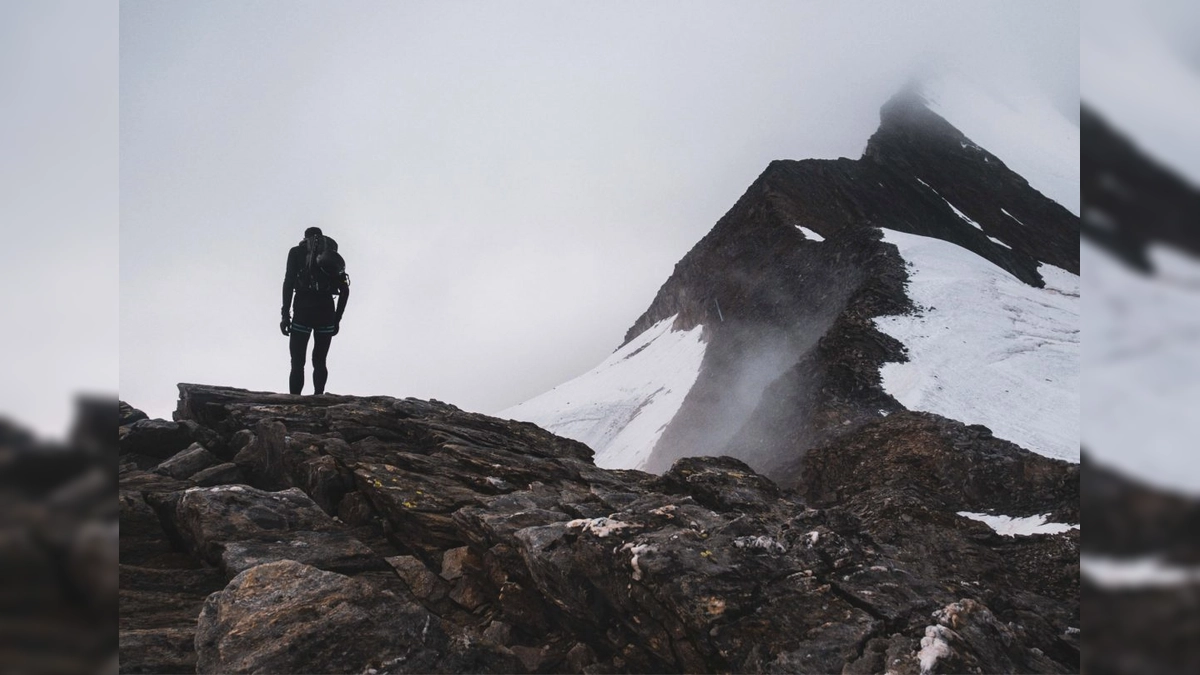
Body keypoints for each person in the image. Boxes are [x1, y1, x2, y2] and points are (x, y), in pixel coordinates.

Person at [281, 227, 349, 395]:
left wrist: (284, 315)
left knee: (297, 362)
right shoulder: (331, 255)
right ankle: (319, 396)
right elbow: (345, 290)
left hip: (303, 310)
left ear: (305, 237)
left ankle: (294, 400)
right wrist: (337, 319)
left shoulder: (297, 252)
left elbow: (288, 282)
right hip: (326, 312)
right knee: (320, 361)